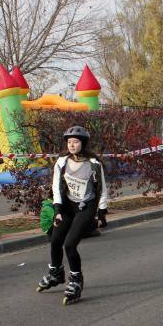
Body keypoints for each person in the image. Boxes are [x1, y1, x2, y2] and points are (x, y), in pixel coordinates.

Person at [36, 126, 108, 305]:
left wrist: (102, 213)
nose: (72, 145)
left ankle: (76, 279)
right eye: (69, 142)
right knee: (54, 240)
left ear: (83, 144)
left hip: (86, 208)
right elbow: (56, 187)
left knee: (69, 245)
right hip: (67, 206)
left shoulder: (94, 164)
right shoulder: (61, 162)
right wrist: (58, 210)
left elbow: (102, 190)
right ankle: (56, 273)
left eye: (75, 142)